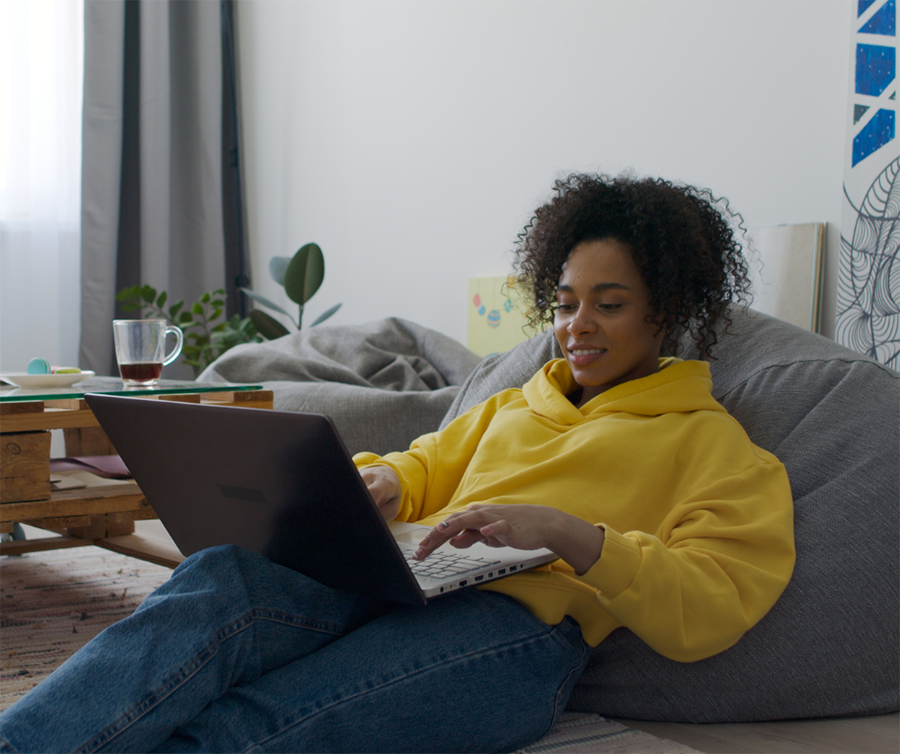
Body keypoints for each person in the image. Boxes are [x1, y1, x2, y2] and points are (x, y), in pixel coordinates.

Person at [0, 173, 795, 754]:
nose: (575, 327)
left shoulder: (713, 445)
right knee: (223, 579)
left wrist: (568, 533)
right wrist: (383, 480)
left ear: (668, 309)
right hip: (396, 581)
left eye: (607, 304)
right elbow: (426, 462)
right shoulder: (516, 402)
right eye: (563, 303)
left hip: (512, 634)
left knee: (263, 718)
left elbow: (715, 603)